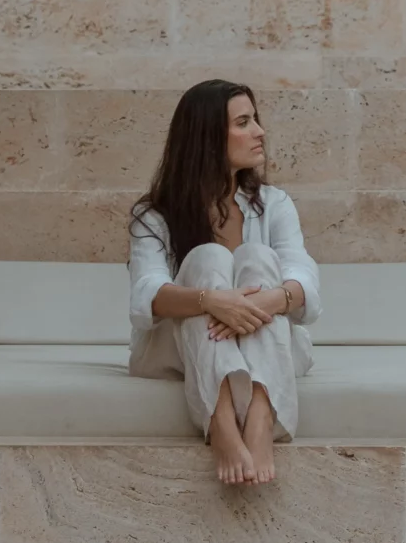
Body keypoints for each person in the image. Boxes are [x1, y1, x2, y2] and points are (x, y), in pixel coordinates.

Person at [127, 79, 322, 485]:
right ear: (208, 137)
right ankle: (220, 422)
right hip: (176, 349)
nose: (259, 132)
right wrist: (211, 302)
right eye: (244, 122)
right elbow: (148, 294)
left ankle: (261, 414)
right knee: (209, 257)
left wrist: (264, 302)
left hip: (267, 335)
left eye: (256, 120)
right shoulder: (154, 216)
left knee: (256, 257)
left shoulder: (275, 204)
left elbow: (304, 280)